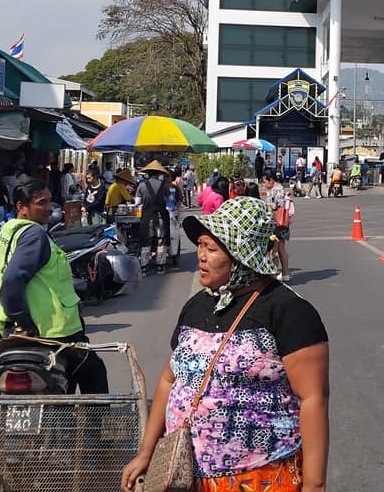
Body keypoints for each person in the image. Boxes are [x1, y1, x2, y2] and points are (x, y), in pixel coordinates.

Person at [121, 197, 329, 492]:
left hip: (261, 478)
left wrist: (314, 484)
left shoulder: (287, 311)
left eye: (212, 248)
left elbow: (313, 400)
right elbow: (170, 380)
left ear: (243, 255)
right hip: (187, 475)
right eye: (201, 245)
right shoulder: (197, 306)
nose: (201, 256)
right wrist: (146, 452)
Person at [0, 180, 108, 393]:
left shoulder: (10, 231)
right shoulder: (34, 235)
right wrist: (24, 321)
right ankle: (93, 425)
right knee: (94, 374)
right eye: (41, 203)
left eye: (49, 202)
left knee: (61, 379)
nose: (48, 208)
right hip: (52, 330)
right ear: (21, 207)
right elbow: (11, 280)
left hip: (14, 329)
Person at [136, 161, 174, 273]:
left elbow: (137, 202)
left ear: (148, 173)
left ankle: (144, 267)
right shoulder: (164, 186)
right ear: (159, 173)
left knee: (146, 241)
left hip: (147, 217)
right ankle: (160, 266)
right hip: (161, 216)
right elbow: (170, 200)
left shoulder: (142, 185)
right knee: (161, 241)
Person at [262, 172, 291, 281]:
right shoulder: (278, 188)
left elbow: (279, 204)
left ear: (271, 180)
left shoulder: (277, 189)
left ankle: (274, 274)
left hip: (277, 223)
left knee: (274, 250)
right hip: (281, 223)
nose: (264, 184)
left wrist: (267, 206)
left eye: (265, 181)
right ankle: (285, 273)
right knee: (280, 249)